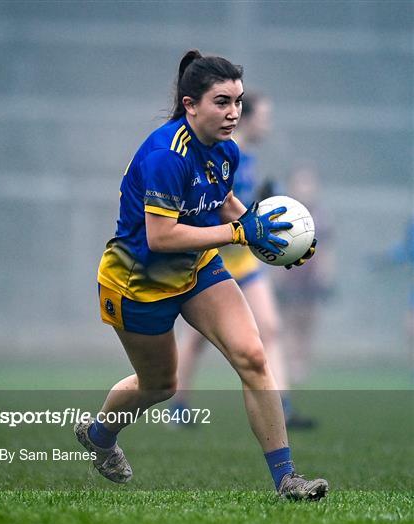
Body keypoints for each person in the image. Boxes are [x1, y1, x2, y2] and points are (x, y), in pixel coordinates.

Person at [74, 50, 328, 500]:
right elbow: (161, 236)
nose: (234, 113)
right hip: (137, 284)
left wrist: (268, 238)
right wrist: (236, 233)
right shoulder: (165, 156)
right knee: (159, 385)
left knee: (252, 356)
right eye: (222, 102)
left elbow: (225, 202)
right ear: (190, 105)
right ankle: (98, 435)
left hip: (197, 270)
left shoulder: (226, 150)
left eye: (238, 102)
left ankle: (288, 479)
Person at [172, 92, 316, 428]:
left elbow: (246, 207)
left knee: (270, 328)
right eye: (265, 116)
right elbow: (216, 205)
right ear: (248, 118)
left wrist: (277, 223)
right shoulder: (227, 152)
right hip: (216, 258)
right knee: (198, 338)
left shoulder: (247, 156)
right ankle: (177, 406)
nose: (268, 122)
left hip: (244, 261)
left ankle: (283, 406)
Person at [275, 164, 335, 385]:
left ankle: (303, 364)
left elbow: (327, 248)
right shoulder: (284, 212)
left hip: (311, 278)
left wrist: (326, 276)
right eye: (301, 182)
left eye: (310, 182)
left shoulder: (322, 216)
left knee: (308, 320)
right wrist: (278, 278)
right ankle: (289, 364)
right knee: (288, 320)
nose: (306, 188)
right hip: (290, 275)